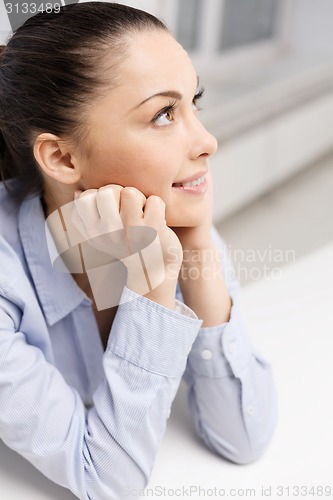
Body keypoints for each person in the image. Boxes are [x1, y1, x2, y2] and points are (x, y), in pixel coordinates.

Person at [0, 2, 277, 499]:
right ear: (62, 157)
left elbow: (243, 436)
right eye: (164, 114)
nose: (208, 141)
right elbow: (106, 481)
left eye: (196, 102)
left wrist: (196, 244)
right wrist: (150, 297)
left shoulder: (162, 219)